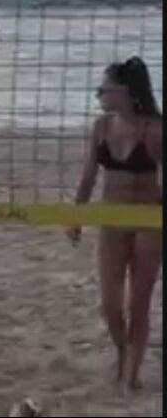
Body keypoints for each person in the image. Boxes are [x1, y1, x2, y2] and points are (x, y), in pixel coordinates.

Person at [67, 56, 162, 392]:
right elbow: (88, 177)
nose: (99, 94)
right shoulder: (101, 127)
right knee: (109, 304)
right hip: (111, 219)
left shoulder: (154, 129)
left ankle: (133, 371)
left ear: (127, 92)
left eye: (105, 89)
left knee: (138, 303)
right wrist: (76, 218)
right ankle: (122, 351)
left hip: (148, 220)